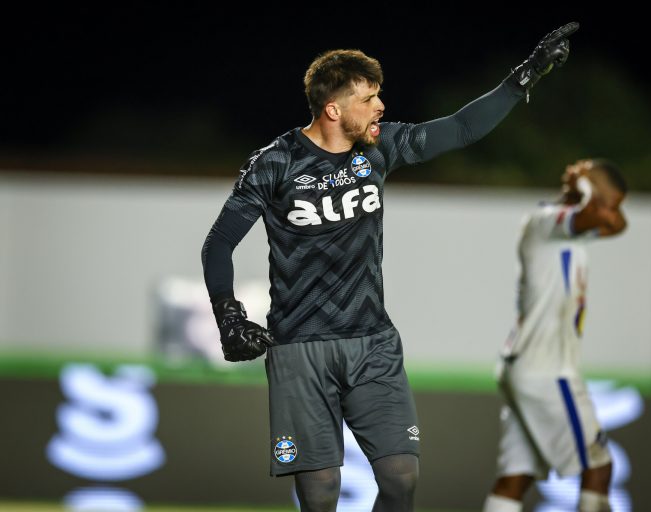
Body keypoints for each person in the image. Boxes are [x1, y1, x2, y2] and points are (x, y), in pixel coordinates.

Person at [201, 22, 579, 512]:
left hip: (372, 344)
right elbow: (218, 244)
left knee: (401, 477)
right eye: (369, 98)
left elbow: (461, 128)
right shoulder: (275, 163)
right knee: (320, 494)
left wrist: (522, 78)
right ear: (333, 109)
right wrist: (227, 316)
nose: (381, 106)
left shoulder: (379, 149)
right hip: (300, 348)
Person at [482, 159, 628, 512]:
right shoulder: (547, 221)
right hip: (547, 369)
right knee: (599, 466)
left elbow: (616, 224)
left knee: (515, 479)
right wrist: (591, 193)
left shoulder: (571, 227)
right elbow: (598, 217)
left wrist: (597, 194)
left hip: (527, 366)